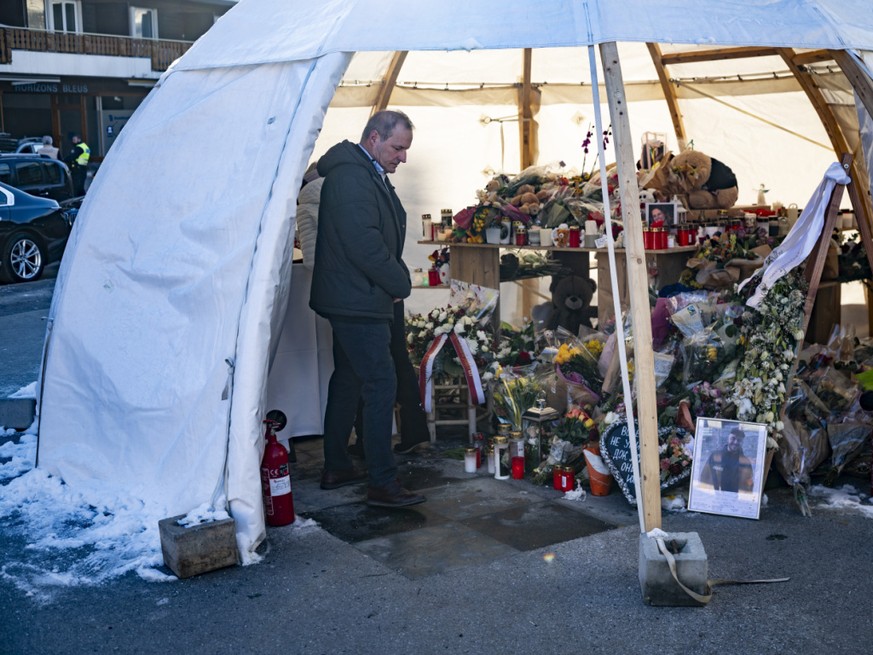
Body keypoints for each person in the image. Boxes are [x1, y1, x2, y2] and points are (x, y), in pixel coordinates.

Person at [309, 110, 425, 508]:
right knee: (381, 384)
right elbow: (365, 245)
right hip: (358, 300)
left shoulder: (363, 171)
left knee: (350, 379)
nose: (403, 158)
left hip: (358, 296)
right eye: (398, 147)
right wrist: (400, 283)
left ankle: (337, 465)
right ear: (374, 138)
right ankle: (382, 482)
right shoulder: (352, 177)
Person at [699, 427, 754, 493]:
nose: (735, 442)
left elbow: (748, 483)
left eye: (739, 440)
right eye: (733, 438)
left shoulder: (745, 461)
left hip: (735, 499)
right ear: (728, 439)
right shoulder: (715, 456)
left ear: (742, 442)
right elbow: (704, 476)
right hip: (715, 497)